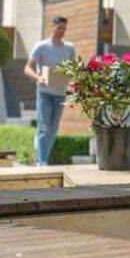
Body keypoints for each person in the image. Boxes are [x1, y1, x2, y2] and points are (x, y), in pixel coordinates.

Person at [24, 16, 75, 166]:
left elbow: (72, 69)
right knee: (44, 128)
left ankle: (41, 155)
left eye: (64, 29)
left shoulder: (69, 48)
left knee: (52, 130)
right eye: (59, 28)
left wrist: (71, 82)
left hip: (60, 94)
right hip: (44, 93)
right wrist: (38, 78)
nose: (61, 31)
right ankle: (42, 161)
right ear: (52, 27)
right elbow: (27, 68)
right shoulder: (42, 47)